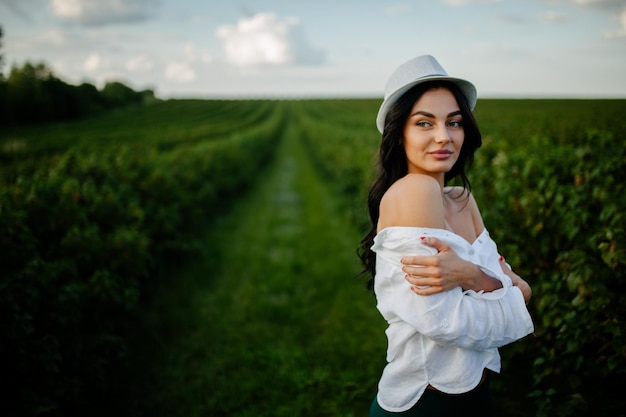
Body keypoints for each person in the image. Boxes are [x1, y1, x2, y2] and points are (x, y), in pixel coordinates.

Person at [359, 54, 534, 416]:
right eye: (424, 123)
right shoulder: (415, 191)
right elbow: (446, 322)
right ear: (400, 132)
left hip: (476, 396)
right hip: (427, 402)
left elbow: (519, 290)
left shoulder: (460, 199)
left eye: (453, 122)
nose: (444, 136)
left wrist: (471, 276)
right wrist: (508, 295)